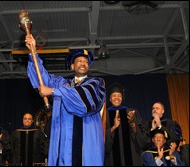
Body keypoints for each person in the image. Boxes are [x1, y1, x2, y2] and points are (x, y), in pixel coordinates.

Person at [25, 34, 106, 166]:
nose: (83, 63)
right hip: (64, 143)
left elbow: (84, 101)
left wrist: (52, 91)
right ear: (72, 66)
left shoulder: (96, 83)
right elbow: (42, 79)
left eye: (86, 62)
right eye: (79, 61)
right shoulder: (62, 84)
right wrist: (33, 51)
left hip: (87, 142)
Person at [103, 82, 144, 166]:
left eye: (119, 95)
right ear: (110, 99)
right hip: (112, 157)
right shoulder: (104, 115)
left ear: (122, 98)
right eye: (114, 95)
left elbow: (142, 137)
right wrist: (114, 127)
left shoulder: (132, 112)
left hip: (132, 156)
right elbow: (101, 137)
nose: (117, 98)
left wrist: (132, 123)